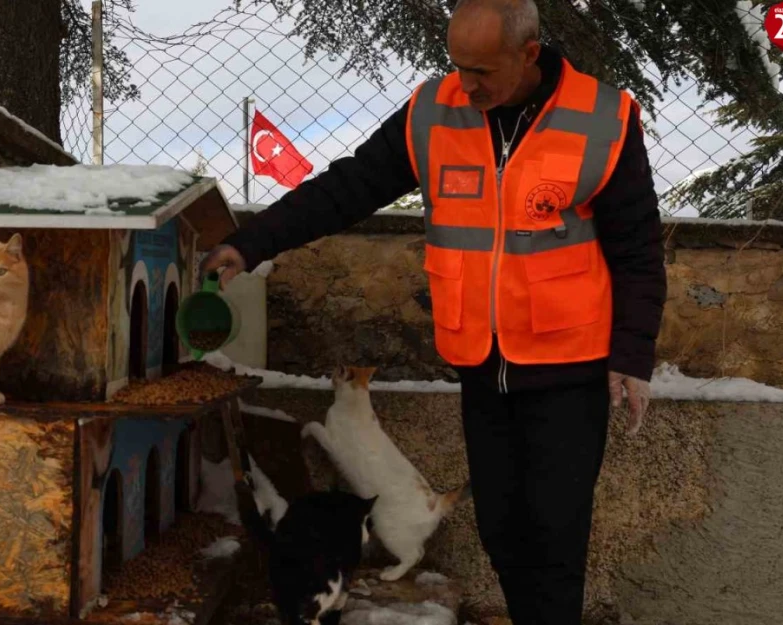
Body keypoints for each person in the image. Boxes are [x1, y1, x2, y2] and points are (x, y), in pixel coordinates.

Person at [199, 0, 667, 623]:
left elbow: (637, 248)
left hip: (569, 366)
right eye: (457, 65)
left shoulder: (602, 118)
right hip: (481, 365)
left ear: (528, 54)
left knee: (554, 537)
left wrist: (632, 356)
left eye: (481, 71)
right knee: (502, 532)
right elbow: (349, 187)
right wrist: (249, 243)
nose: (464, 84)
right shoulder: (434, 111)